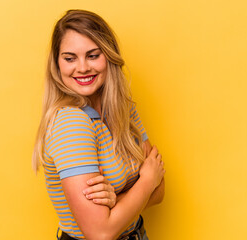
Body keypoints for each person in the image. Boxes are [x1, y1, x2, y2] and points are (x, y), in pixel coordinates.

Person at [32, 9, 166, 240]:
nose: (82, 67)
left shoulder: (123, 109)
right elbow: (100, 232)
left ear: (109, 56)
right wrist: (145, 182)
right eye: (70, 58)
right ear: (57, 64)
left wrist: (115, 202)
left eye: (93, 55)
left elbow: (161, 189)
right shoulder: (70, 123)